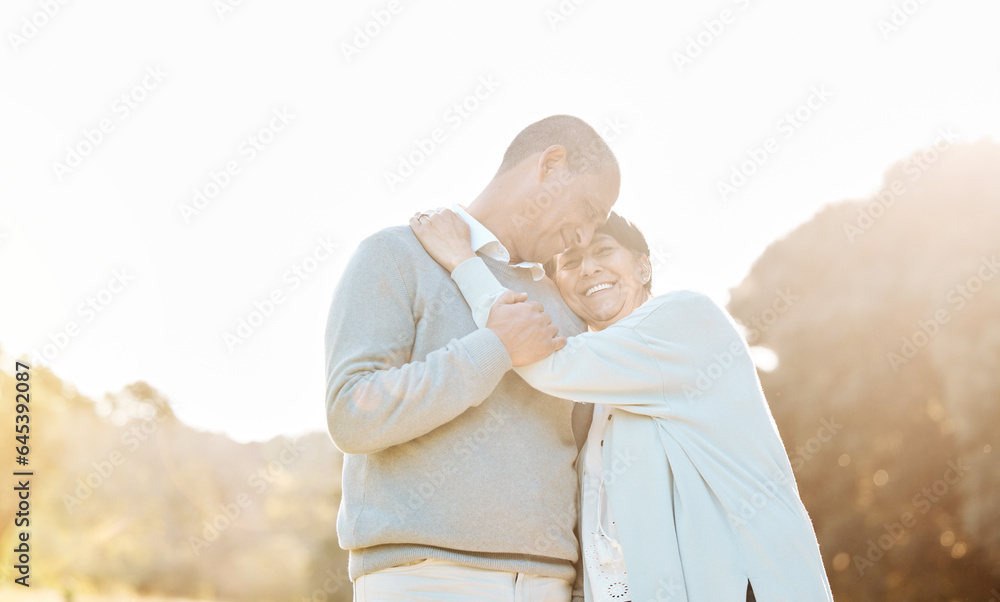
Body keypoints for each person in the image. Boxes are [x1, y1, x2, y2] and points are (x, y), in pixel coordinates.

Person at [409, 209, 836, 602]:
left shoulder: (684, 318)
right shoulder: (592, 391)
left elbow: (540, 361)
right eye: (570, 262)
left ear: (644, 266)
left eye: (603, 250)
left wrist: (464, 263)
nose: (589, 267)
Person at [325, 115, 621, 601]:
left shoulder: (567, 307)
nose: (585, 238)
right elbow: (351, 414)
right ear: (551, 164)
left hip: (551, 584)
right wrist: (494, 349)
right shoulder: (396, 255)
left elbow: (587, 469)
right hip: (425, 578)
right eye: (587, 208)